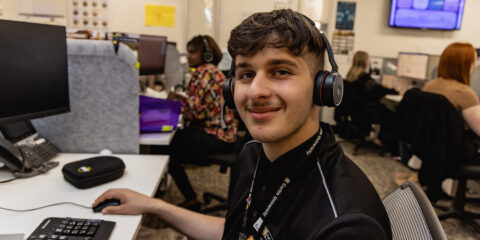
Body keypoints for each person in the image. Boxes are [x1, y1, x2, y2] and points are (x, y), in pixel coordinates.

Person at [93, 9, 392, 239]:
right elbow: (238, 231)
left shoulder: (344, 224)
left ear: (323, 89)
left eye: (281, 71)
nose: (256, 91)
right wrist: (153, 205)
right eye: (246, 74)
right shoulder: (252, 154)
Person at [167, 35, 238, 210]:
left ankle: (191, 198)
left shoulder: (203, 72)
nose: (188, 56)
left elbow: (196, 112)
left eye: (192, 52)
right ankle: (189, 197)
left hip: (216, 136)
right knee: (175, 140)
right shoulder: (213, 71)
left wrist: (174, 102)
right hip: (226, 135)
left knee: (169, 146)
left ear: (206, 55)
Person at [423, 42, 480, 137]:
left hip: (431, 146)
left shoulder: (429, 86)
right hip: (458, 148)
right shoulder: (464, 93)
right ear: (464, 65)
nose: (476, 66)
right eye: (473, 62)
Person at [345, 51, 398, 147]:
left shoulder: (350, 76)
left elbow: (373, 89)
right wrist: (397, 92)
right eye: (368, 60)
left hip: (355, 112)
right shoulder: (365, 78)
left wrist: (381, 87)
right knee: (392, 115)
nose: (369, 62)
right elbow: (378, 91)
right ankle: (380, 140)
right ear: (364, 62)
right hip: (366, 112)